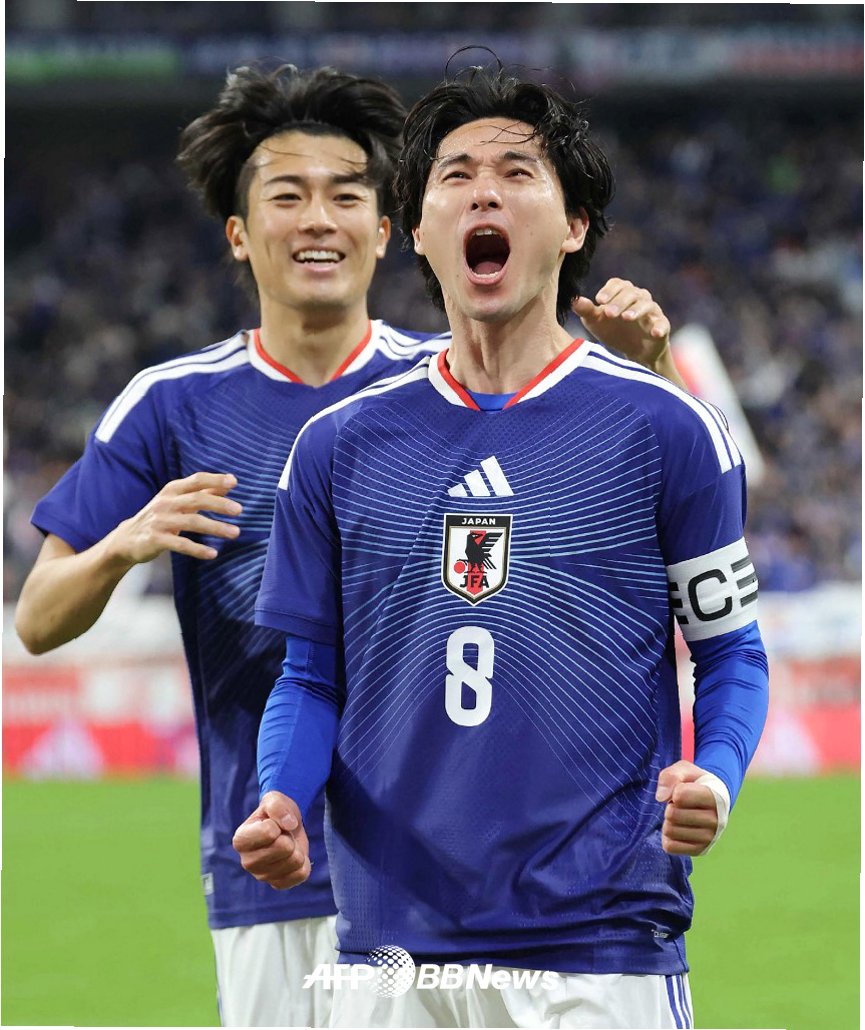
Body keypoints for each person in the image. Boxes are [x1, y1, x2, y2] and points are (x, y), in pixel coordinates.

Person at [14, 62, 676, 1028]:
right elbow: (36, 619)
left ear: (387, 229)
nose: (318, 219)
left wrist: (651, 369)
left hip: (447, 866)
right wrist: (124, 542)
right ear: (239, 234)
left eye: (347, 195)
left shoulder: (459, 381)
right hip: (270, 862)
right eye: (287, 196)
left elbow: (659, 521)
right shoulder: (171, 404)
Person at [237, 66, 769, 1029]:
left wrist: (717, 777)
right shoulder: (336, 448)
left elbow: (732, 652)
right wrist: (281, 797)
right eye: (455, 175)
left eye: (517, 172)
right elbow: (309, 678)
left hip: (599, 945)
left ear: (572, 226)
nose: (483, 191)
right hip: (389, 956)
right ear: (417, 229)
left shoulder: (667, 429)